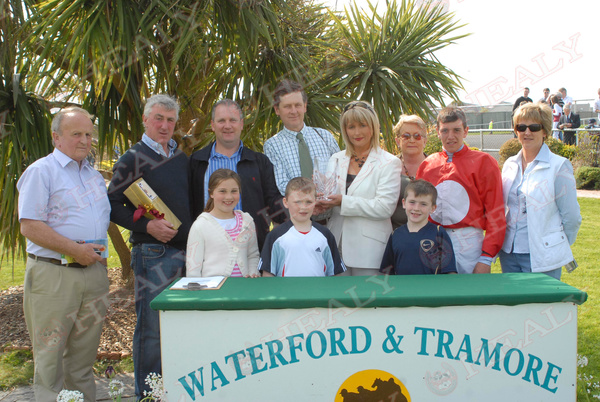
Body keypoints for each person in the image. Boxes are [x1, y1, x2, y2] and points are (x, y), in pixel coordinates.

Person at [17, 107, 110, 401]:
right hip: (53, 276)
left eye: (88, 134)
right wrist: (75, 251)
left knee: (82, 362)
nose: (85, 140)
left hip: (92, 276)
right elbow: (30, 226)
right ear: (56, 138)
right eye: (76, 134)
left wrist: (99, 267)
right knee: (49, 361)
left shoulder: (94, 177)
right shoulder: (41, 172)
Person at [107, 94, 193, 399]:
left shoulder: (180, 157)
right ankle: (148, 395)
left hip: (187, 254)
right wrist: (147, 226)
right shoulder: (133, 158)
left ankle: (175, 389)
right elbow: (113, 204)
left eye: (170, 120)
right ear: (145, 119)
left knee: (181, 325)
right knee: (153, 328)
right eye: (159, 118)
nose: (165, 125)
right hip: (153, 254)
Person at [416, 107, 505, 274]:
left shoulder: (484, 163)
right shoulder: (428, 165)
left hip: (469, 244)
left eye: (456, 130)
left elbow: (496, 213)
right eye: (445, 131)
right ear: (437, 132)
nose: (451, 136)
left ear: (466, 131)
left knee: (471, 298)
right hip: (432, 242)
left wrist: (486, 257)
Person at [319, 101, 402, 276]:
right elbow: (329, 196)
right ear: (345, 130)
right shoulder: (336, 158)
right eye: (351, 127)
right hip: (336, 246)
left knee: (369, 302)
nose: (357, 132)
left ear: (373, 126)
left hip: (370, 252)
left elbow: (384, 208)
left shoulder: (389, 162)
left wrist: (343, 201)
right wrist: (322, 203)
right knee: (338, 301)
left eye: (362, 125)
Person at [500, 102, 581, 280]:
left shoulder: (559, 166)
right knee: (514, 307)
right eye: (521, 127)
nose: (527, 132)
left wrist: (554, 245)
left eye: (534, 127)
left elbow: (572, 217)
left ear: (545, 131)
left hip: (542, 256)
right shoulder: (509, 165)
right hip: (508, 253)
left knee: (540, 307)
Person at [189, 99, 283, 250]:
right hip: (207, 249)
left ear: (241, 123)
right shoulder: (197, 162)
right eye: (221, 121)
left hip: (251, 249)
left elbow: (273, 203)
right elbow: (188, 205)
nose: (227, 126)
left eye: (233, 120)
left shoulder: (259, 162)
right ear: (213, 125)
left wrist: (297, 205)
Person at [264, 79, 340, 195]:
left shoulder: (325, 136)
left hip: (331, 209)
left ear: (305, 106)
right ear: (277, 110)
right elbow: (282, 184)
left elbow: (340, 173)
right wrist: (310, 197)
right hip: (299, 211)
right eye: (287, 106)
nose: (293, 111)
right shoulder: (272, 145)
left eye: (298, 105)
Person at [258, 177, 346, 277]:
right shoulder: (275, 236)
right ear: (285, 202)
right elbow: (267, 274)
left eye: (308, 202)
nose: (303, 207)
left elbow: (336, 273)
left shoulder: (325, 234)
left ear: (315, 202)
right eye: (297, 202)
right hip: (285, 292)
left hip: (319, 292)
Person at [187, 169, 259, 277]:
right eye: (222, 191)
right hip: (213, 291)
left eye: (234, 191)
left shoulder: (247, 221)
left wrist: (253, 273)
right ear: (211, 193)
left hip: (245, 290)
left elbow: (253, 255)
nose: (229, 197)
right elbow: (193, 268)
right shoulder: (200, 225)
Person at [380, 179, 456, 275]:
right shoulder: (396, 234)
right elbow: (387, 272)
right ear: (404, 203)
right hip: (402, 289)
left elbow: (450, 271)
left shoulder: (438, 233)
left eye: (423, 204)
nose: (416, 208)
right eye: (412, 202)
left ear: (433, 208)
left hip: (432, 289)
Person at [390, 115, 428, 229]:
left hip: (429, 237)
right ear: (397, 141)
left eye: (417, 136)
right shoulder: (388, 167)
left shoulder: (436, 166)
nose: (411, 140)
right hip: (394, 236)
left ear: (425, 141)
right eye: (406, 136)